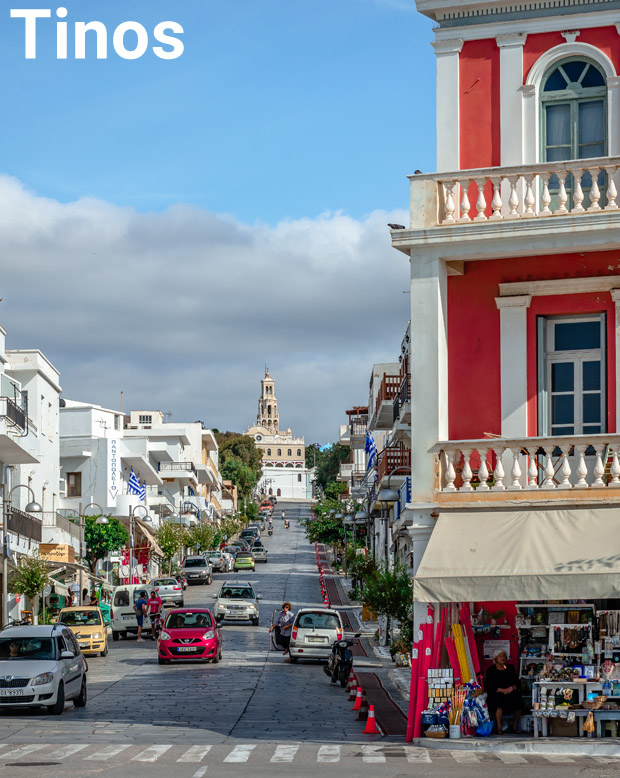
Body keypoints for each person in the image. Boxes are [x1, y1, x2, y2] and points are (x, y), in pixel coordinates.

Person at [485, 650, 524, 734]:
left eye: (504, 656)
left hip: (510, 692)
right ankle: (499, 725)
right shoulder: (491, 670)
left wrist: (512, 688)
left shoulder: (510, 668)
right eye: (500, 656)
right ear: (495, 658)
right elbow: (489, 685)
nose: (502, 658)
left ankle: (514, 725)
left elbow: (517, 682)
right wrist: (502, 690)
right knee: (497, 700)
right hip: (497, 693)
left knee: (518, 699)